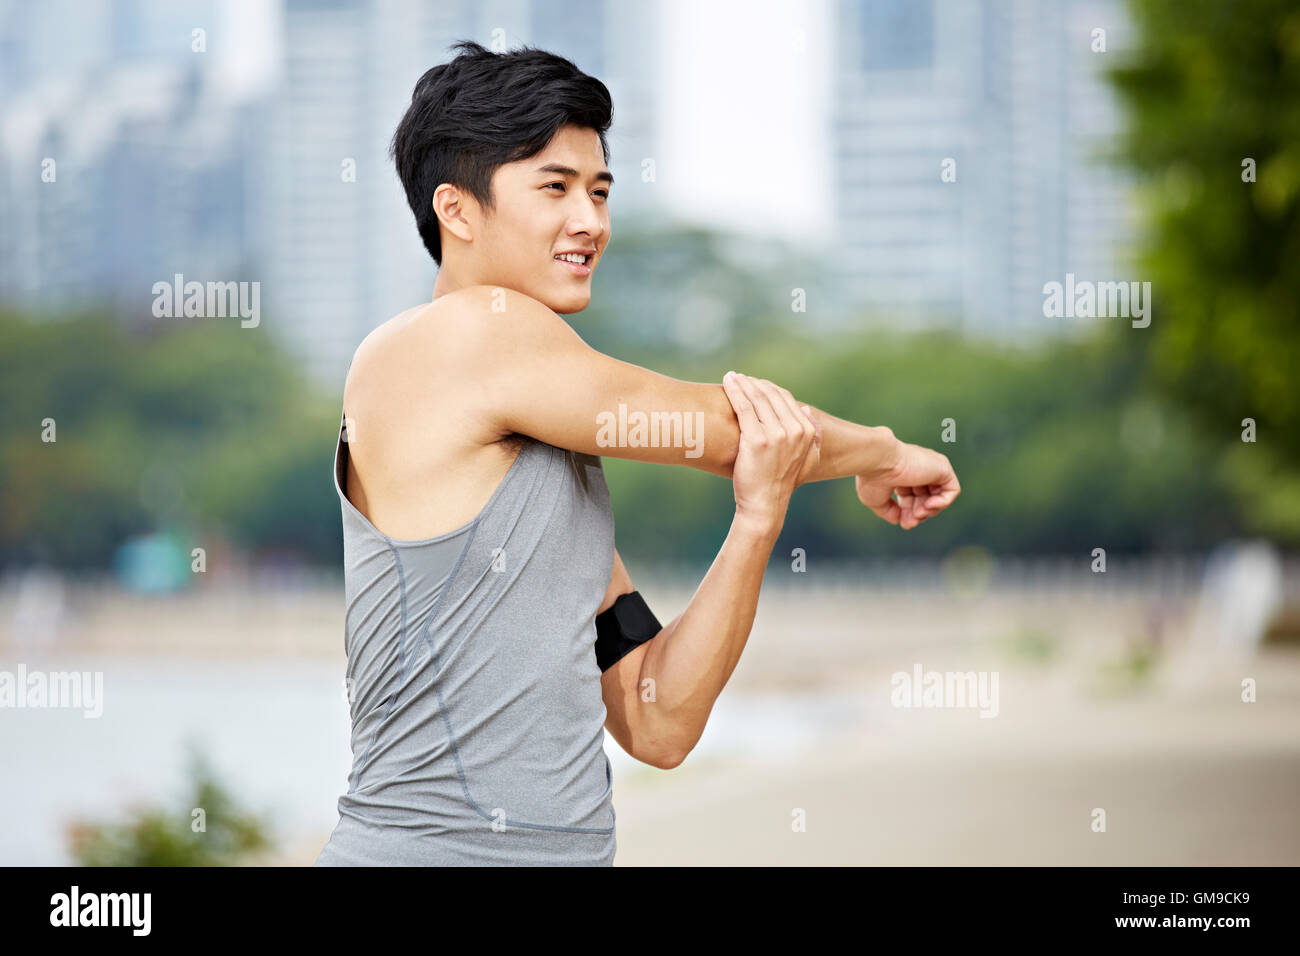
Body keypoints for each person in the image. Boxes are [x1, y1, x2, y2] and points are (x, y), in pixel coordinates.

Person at [314, 40, 959, 866]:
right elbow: (716, 431)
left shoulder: (543, 480)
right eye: (555, 187)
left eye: (600, 191)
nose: (591, 221)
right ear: (458, 210)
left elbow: (659, 721)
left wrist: (758, 519)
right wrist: (882, 452)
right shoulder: (459, 336)